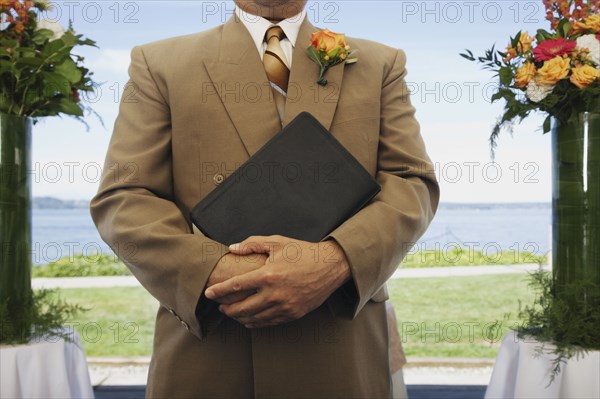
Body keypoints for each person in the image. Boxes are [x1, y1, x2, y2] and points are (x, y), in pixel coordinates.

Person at [90, 0, 439, 397]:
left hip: (339, 347)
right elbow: (126, 196)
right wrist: (218, 273)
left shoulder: (380, 64)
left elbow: (411, 182)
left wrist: (336, 260)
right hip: (212, 346)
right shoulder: (159, 63)